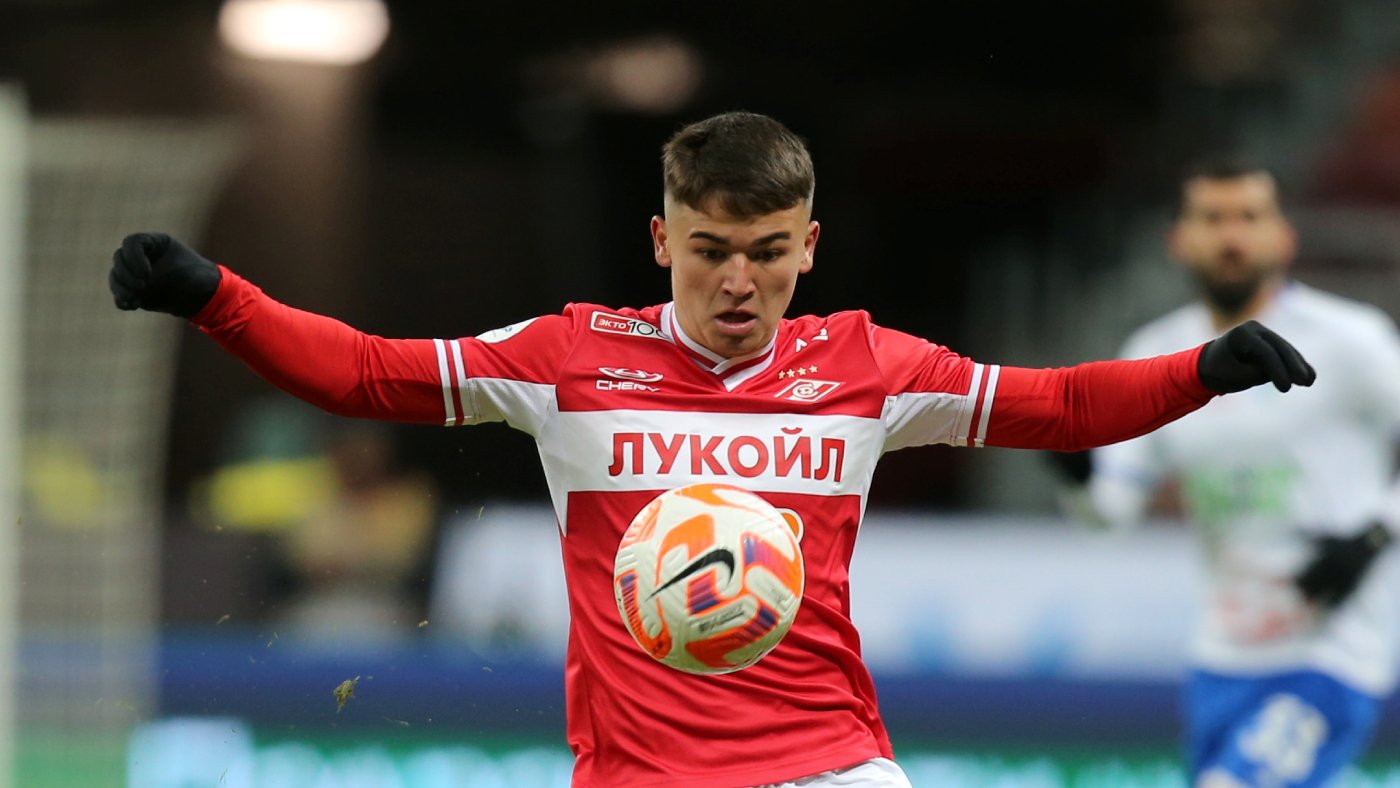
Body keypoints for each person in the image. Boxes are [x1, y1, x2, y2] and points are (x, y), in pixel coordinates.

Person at [108, 112, 1317, 788]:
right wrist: (215, 295)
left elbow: (1052, 404)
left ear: (807, 246)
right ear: (661, 238)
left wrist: (1198, 369)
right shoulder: (568, 356)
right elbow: (366, 372)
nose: (738, 281)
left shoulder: (867, 365)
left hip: (830, 764)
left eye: (767, 251)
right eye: (708, 249)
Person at [1048, 157, 1400, 788]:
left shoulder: (1352, 340)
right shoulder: (1156, 355)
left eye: (1249, 217)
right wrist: (1071, 466)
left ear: (1284, 237)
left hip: (1332, 651)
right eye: (1212, 219)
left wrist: (1374, 537)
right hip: (1222, 656)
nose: (1231, 236)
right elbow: (1109, 514)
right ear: (1179, 241)